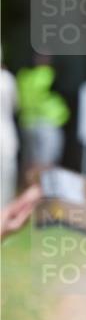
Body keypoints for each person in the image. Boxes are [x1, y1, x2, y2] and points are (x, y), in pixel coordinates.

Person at [16, 57, 69, 178]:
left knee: (30, 161)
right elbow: (62, 92)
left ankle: (29, 185)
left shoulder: (24, 76)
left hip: (27, 122)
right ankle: (44, 187)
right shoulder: (49, 75)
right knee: (47, 161)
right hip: (48, 122)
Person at [0, 50, 19, 207]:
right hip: (6, 131)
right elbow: (15, 105)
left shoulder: (7, 79)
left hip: (6, 131)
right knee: (7, 173)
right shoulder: (8, 79)